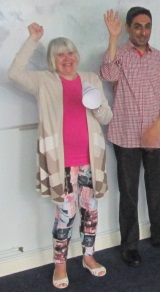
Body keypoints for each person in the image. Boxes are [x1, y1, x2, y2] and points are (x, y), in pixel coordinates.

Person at [8, 23, 112, 289]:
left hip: (90, 161)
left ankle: (88, 257)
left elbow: (106, 117)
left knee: (91, 211)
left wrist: (97, 104)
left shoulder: (90, 79)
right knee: (65, 214)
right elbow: (14, 73)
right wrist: (32, 39)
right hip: (61, 163)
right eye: (60, 55)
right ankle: (60, 264)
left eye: (71, 53)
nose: (68, 59)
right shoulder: (44, 81)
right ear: (53, 60)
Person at [100, 7, 160, 267]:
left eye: (147, 26)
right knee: (128, 193)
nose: (143, 31)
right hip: (125, 136)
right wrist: (113, 38)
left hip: (155, 136)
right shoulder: (117, 55)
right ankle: (130, 246)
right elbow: (108, 74)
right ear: (128, 28)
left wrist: (157, 126)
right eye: (137, 26)